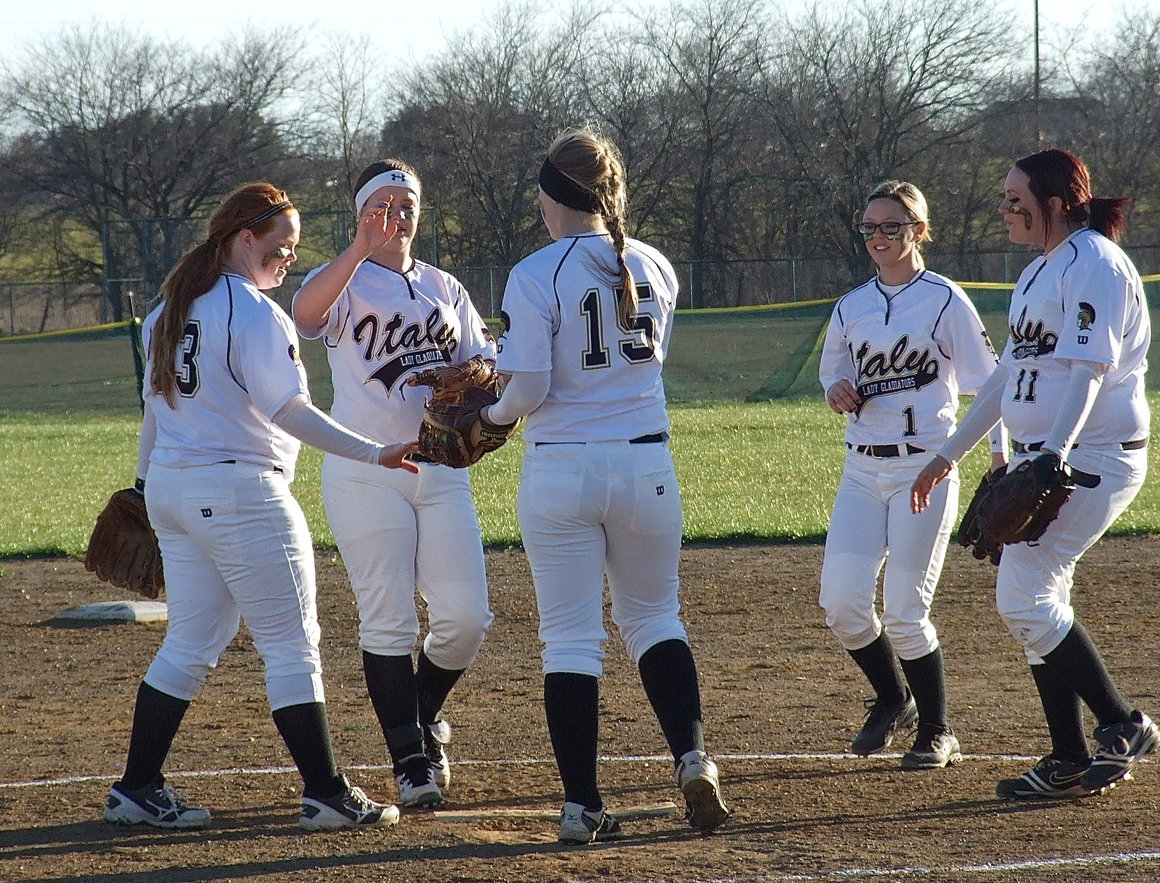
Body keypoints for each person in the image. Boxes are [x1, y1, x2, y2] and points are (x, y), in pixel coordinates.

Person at [104, 182, 418, 832]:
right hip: (242, 494)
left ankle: (136, 786)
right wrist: (376, 452)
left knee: (191, 638)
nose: (287, 260)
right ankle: (327, 793)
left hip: (174, 491)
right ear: (242, 237)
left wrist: (141, 485)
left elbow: (153, 413)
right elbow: (290, 412)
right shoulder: (251, 312)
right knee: (292, 643)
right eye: (280, 246)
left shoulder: (169, 308)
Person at [482, 126, 729, 843]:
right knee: (655, 618)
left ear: (550, 193)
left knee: (569, 639)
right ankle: (692, 758)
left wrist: (491, 418)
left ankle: (582, 803)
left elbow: (526, 388)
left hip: (563, 466)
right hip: (646, 463)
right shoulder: (655, 264)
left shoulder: (535, 271)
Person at [911, 148, 1160, 798]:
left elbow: (1089, 370)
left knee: (1023, 595)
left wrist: (1053, 452)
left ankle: (1121, 723)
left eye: (1015, 196)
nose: (1004, 207)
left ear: (1055, 203)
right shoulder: (1036, 274)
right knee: (1038, 602)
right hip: (1047, 457)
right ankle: (1069, 755)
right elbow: (1005, 378)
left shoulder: (1096, 266)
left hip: (1091, 457)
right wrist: (949, 454)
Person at [291, 160, 495, 808]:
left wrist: (477, 381)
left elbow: (484, 361)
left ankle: (422, 713)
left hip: (439, 468)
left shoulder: (443, 285)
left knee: (465, 618)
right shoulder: (347, 283)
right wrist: (359, 247)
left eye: (406, 204)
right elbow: (304, 312)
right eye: (382, 204)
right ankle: (411, 760)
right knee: (390, 618)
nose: (396, 215)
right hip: (366, 471)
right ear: (360, 214)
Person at [819, 181, 1006, 770]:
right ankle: (892, 696)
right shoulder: (852, 305)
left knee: (904, 610)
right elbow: (832, 375)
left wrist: (1000, 460)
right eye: (870, 227)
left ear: (918, 232)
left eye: (891, 227)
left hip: (925, 468)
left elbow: (990, 385)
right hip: (861, 467)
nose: (879, 237)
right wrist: (836, 390)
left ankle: (938, 728)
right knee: (843, 604)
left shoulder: (945, 301)